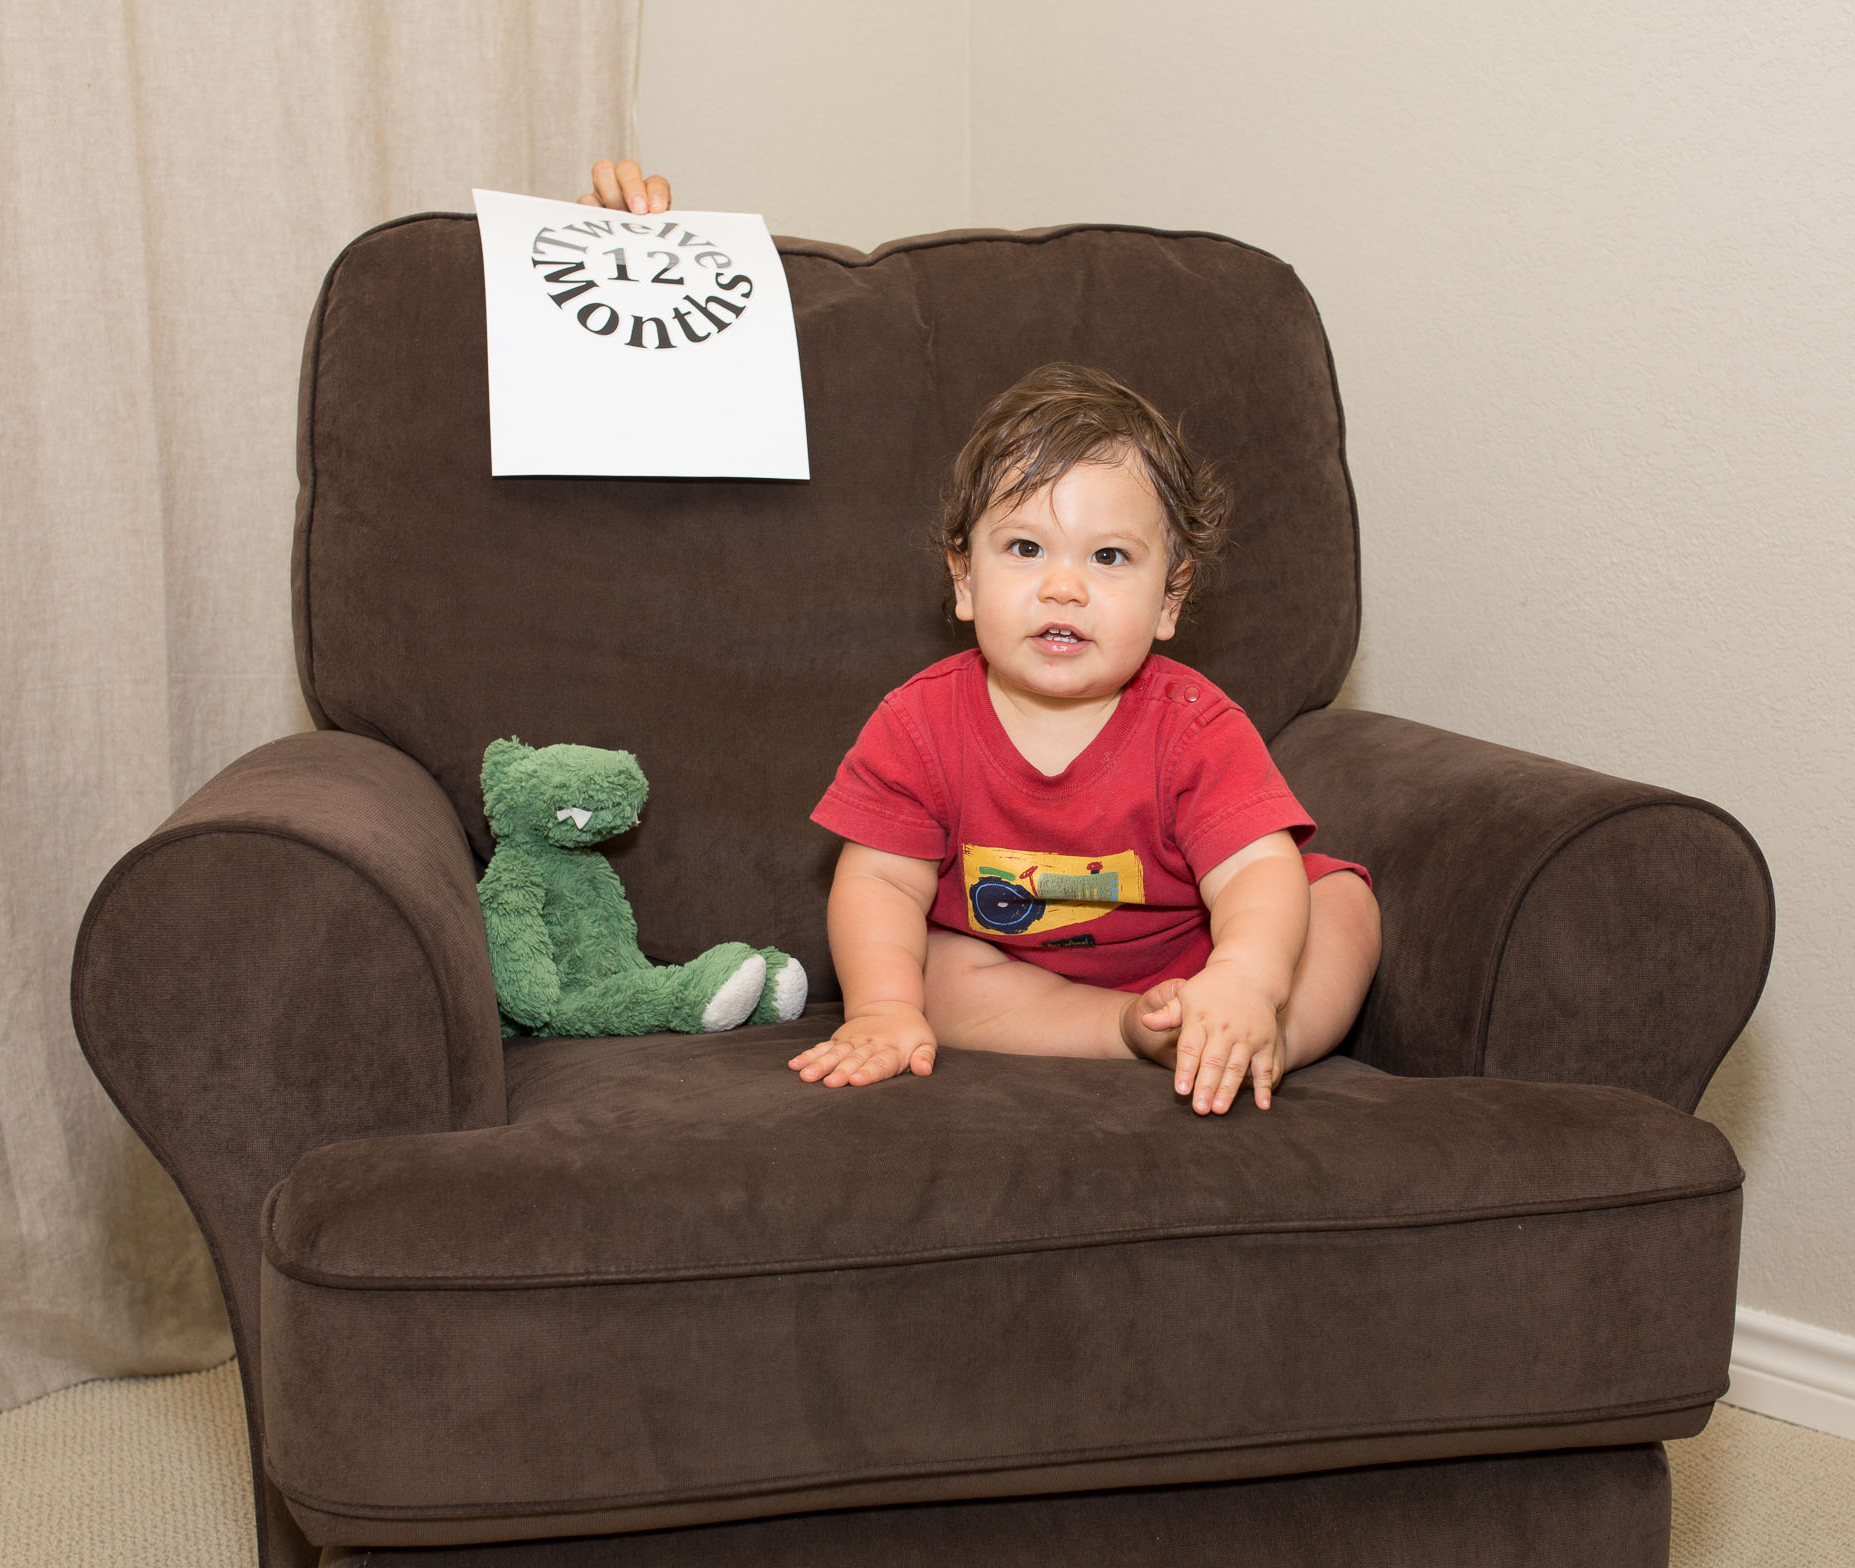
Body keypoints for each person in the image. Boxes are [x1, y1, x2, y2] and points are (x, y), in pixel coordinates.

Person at [579, 163, 1382, 1117]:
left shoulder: (1194, 725)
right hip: (1023, 970)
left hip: (1207, 953)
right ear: (963, 580)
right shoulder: (920, 724)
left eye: (1110, 557)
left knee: (1336, 905)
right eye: (1025, 548)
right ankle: (1131, 1033)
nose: (1063, 585)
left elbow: (1253, 872)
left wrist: (1246, 980)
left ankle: (1251, 1038)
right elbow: (878, 881)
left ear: (1170, 602)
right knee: (940, 968)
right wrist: (883, 1009)